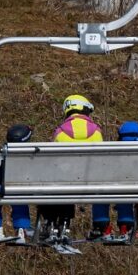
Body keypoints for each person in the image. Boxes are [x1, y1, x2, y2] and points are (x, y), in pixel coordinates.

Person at [38, 95, 104, 243]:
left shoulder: (60, 131)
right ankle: (66, 223)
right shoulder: (96, 131)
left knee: (55, 184)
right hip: (90, 181)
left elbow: (53, 161)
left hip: (64, 180)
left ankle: (52, 223)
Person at [90, 120, 138, 241]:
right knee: (126, 192)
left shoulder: (114, 152)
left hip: (109, 187)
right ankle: (126, 226)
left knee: (101, 192)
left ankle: (102, 226)